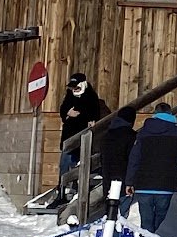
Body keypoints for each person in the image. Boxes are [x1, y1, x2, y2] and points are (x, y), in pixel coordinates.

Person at [123, 107, 177, 237]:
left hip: (144, 184)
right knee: (158, 218)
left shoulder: (143, 133)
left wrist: (129, 182)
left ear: (155, 115)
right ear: (170, 115)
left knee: (147, 221)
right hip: (165, 185)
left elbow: (134, 159)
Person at [57, 72, 108, 201]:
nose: (74, 90)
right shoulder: (70, 96)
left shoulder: (91, 97)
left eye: (77, 87)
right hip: (69, 138)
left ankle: (74, 190)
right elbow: (63, 108)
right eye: (73, 87)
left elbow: (94, 113)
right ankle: (62, 192)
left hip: (84, 140)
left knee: (80, 165)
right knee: (65, 165)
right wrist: (67, 113)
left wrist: (91, 119)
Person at [89, 108, 136, 222]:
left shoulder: (106, 135)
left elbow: (102, 157)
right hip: (125, 179)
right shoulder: (131, 136)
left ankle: (109, 235)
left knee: (110, 212)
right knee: (122, 215)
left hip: (108, 177)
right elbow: (133, 159)